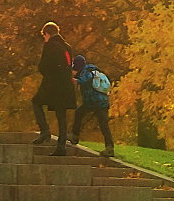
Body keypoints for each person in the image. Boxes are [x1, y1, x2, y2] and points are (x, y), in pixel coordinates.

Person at [31, 22, 75, 155]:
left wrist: (49, 75)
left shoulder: (50, 45)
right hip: (66, 85)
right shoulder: (67, 47)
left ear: (47, 34)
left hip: (52, 83)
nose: (44, 38)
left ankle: (45, 131)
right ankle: (61, 146)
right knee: (61, 115)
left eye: (44, 36)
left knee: (36, 102)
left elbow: (43, 66)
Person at [69, 54, 115, 157]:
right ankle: (109, 147)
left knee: (80, 113)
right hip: (100, 101)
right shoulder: (92, 70)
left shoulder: (86, 72)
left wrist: (76, 81)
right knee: (103, 125)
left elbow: (86, 79)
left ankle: (75, 136)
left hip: (95, 102)